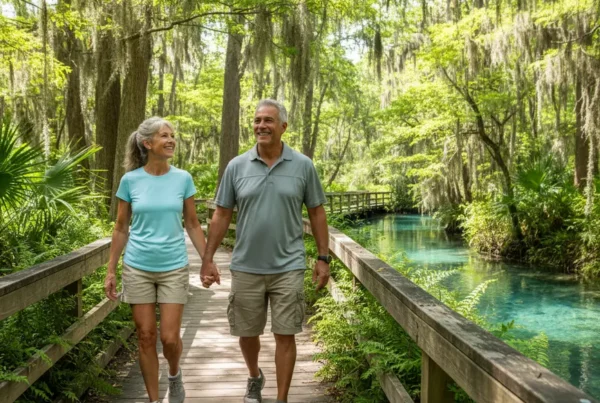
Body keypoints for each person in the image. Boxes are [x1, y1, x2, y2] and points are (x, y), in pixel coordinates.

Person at [200, 99, 331, 403]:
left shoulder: (303, 166)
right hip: (246, 264)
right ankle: (254, 376)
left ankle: (282, 398)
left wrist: (323, 257)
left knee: (286, 334)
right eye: (258, 120)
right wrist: (207, 259)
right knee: (247, 333)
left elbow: (317, 212)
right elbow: (221, 214)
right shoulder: (237, 166)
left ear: (283, 127)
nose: (261, 126)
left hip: (289, 265)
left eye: (269, 121)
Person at [104, 117, 208, 403]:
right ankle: (153, 399)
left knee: (170, 338)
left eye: (172, 135)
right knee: (146, 335)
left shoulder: (183, 178)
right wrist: (111, 270)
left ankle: (174, 374)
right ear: (147, 143)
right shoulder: (130, 180)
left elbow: (193, 223)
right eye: (164, 136)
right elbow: (121, 227)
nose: (171, 139)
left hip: (173, 266)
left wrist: (207, 260)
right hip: (137, 266)